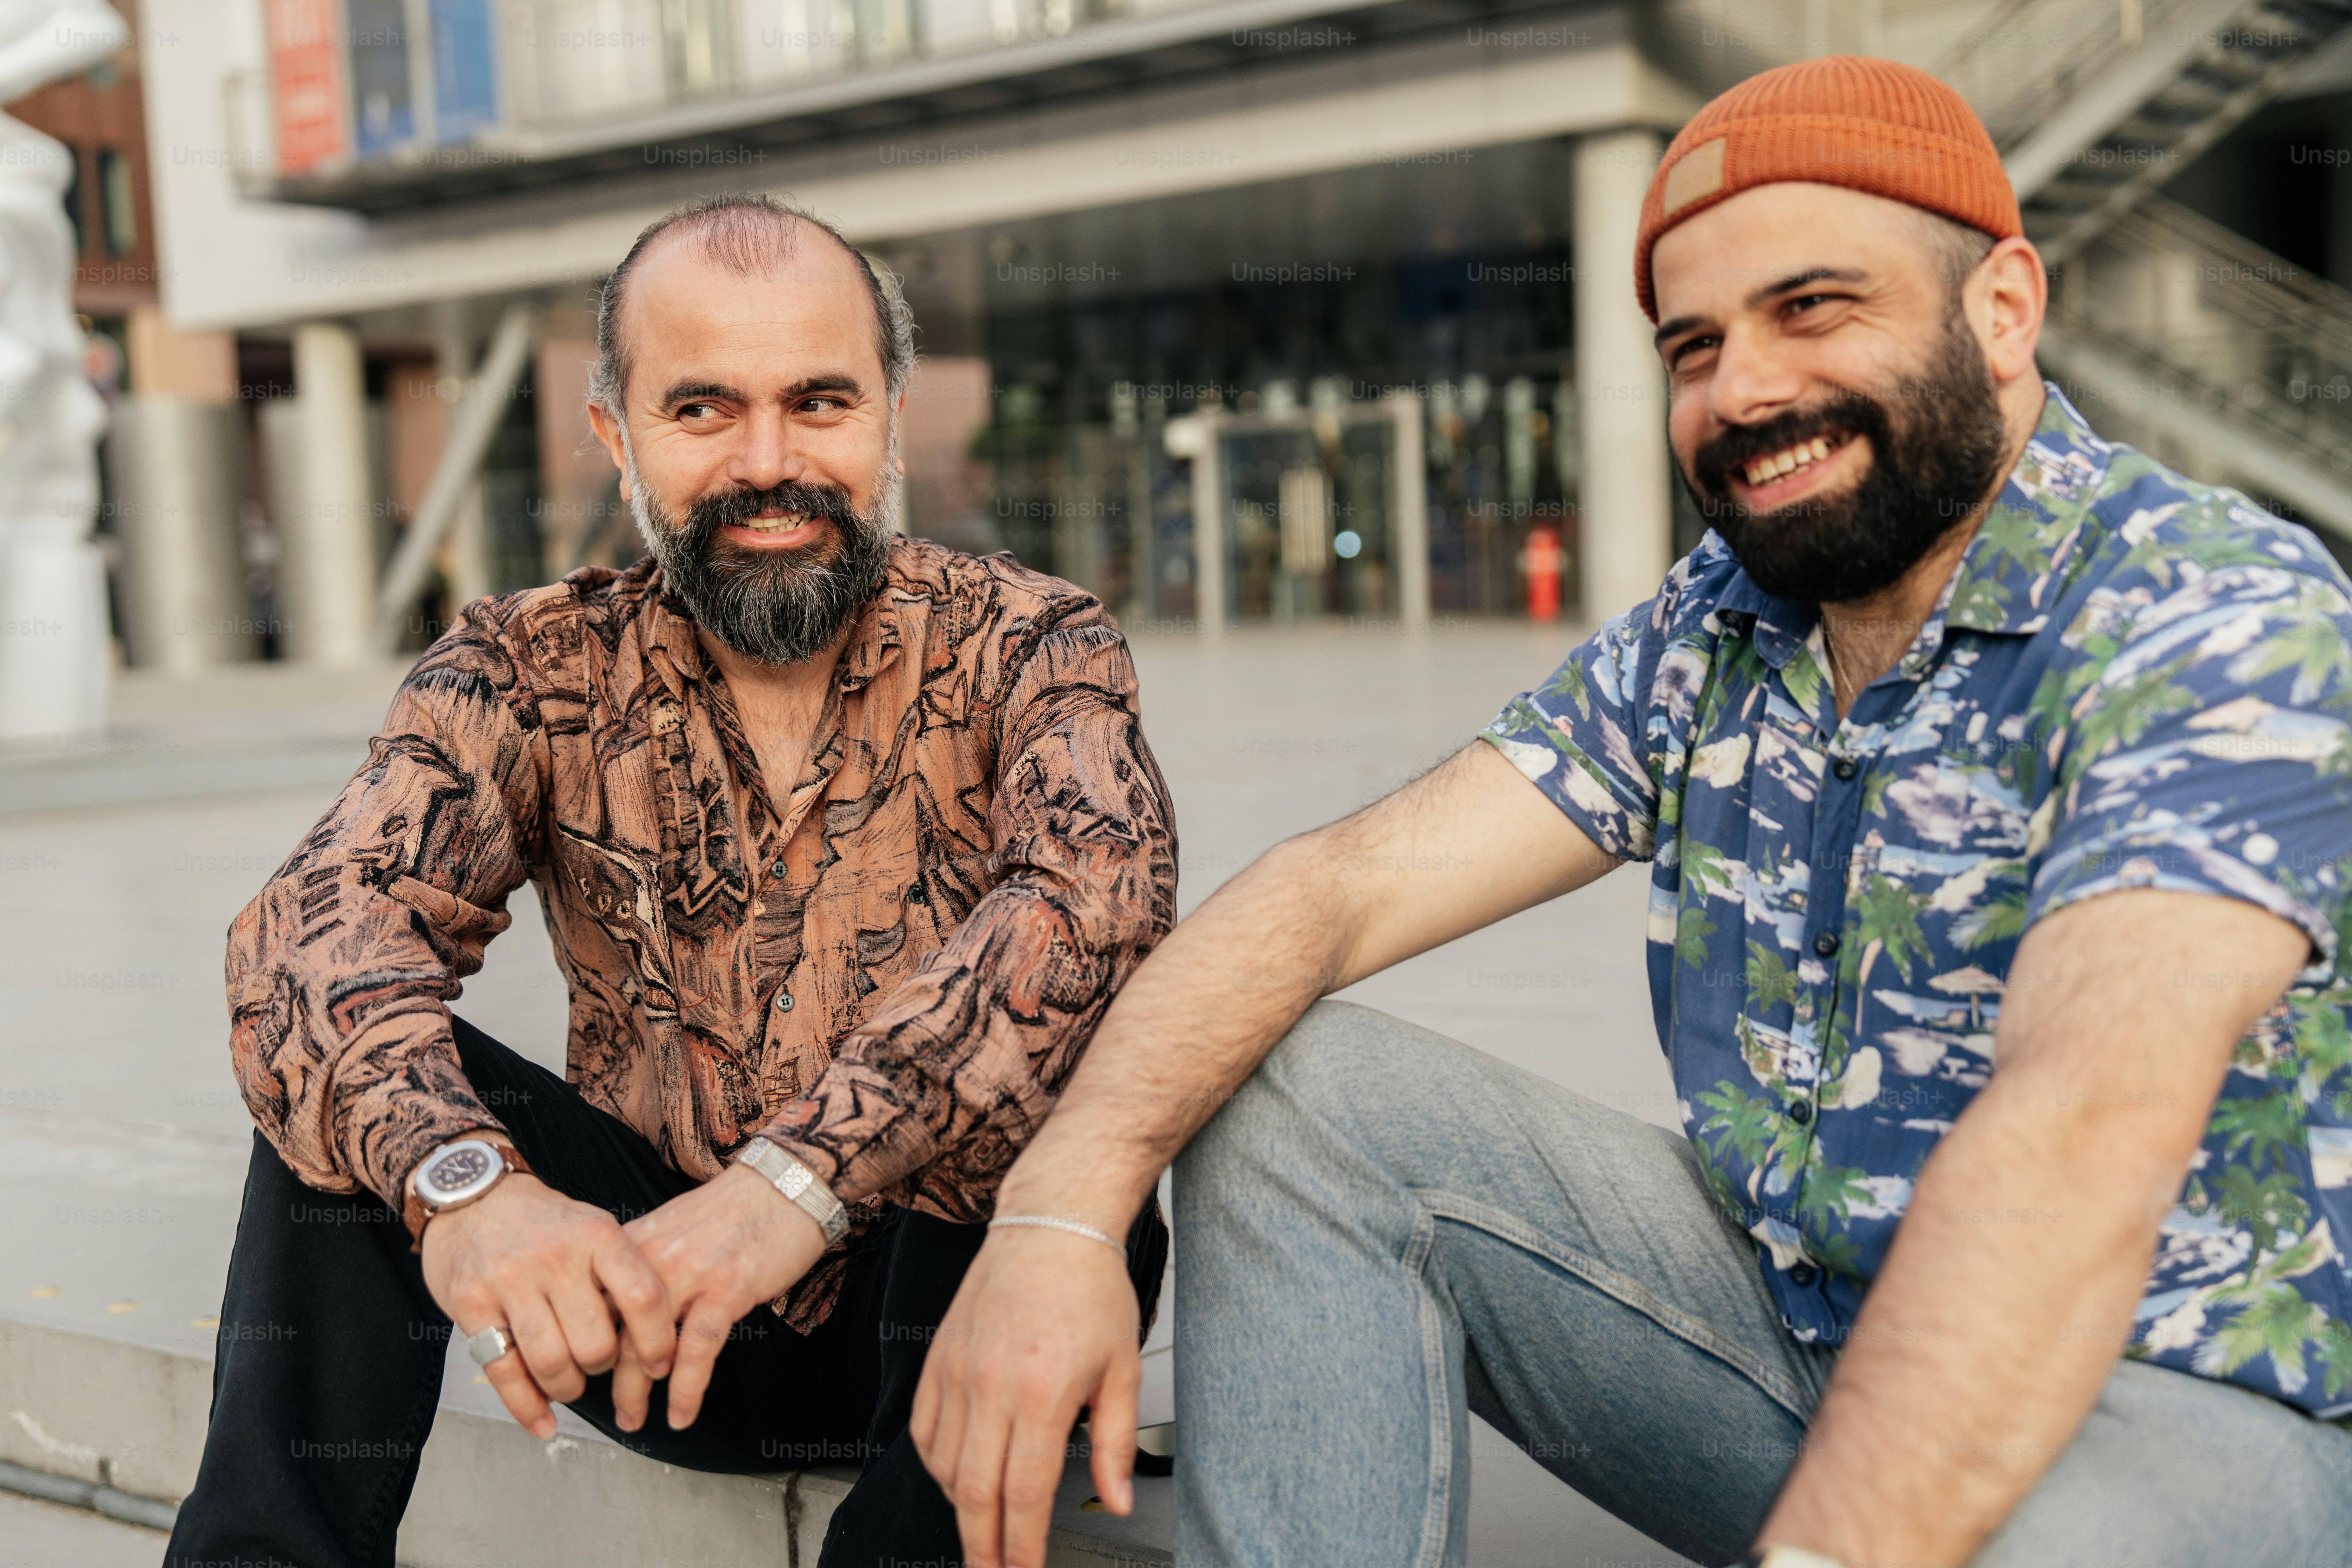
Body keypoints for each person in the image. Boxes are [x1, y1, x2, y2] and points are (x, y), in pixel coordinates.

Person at [910, 56, 2352, 1568]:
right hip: (1795, 1347)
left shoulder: (2207, 613)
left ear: (2001, 309)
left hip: (2160, 1401)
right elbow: (1337, 887)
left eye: (1813, 308)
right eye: (1692, 346)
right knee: (1296, 1080)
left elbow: (2079, 1128)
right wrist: (1056, 1215)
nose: (1743, 392)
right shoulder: (1720, 621)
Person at [164, 193, 1176, 1568]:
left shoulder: (1030, 640)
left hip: (953, 1304)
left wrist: (797, 1185)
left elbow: (1094, 911)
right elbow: (309, 934)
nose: (769, 463)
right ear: (615, 433)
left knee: (1046, 1074)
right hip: (655, 1323)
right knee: (351, 1077)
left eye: (818, 402)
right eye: (702, 409)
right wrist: (465, 1188)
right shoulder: (527, 666)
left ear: (889, 413)